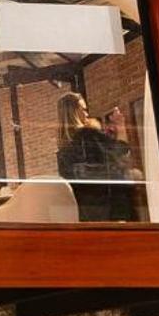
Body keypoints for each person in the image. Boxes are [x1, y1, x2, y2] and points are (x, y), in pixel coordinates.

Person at [57, 92, 137, 221]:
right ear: (75, 112)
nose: (87, 114)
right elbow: (121, 149)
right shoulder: (88, 134)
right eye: (83, 109)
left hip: (85, 212)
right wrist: (120, 124)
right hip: (111, 206)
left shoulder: (63, 148)